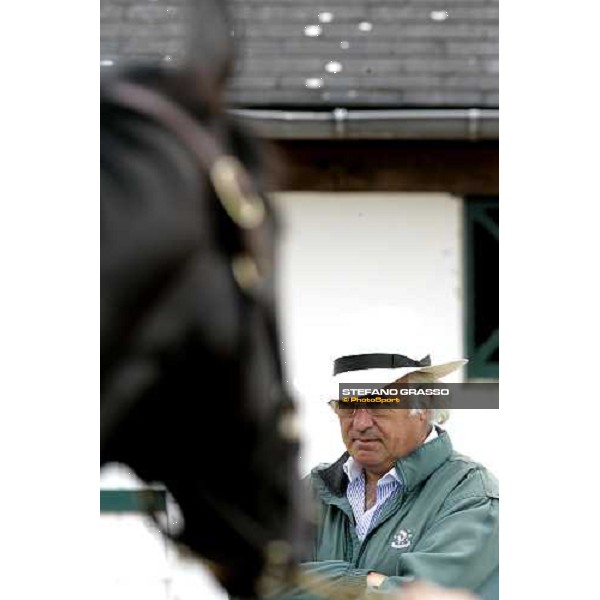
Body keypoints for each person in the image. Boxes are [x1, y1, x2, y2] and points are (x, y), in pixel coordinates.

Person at [298, 351, 499, 599]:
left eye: (378, 402)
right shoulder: (313, 489)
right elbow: (259, 582)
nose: (360, 422)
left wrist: (313, 582)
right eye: (348, 403)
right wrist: (373, 583)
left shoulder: (472, 497)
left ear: (424, 407)